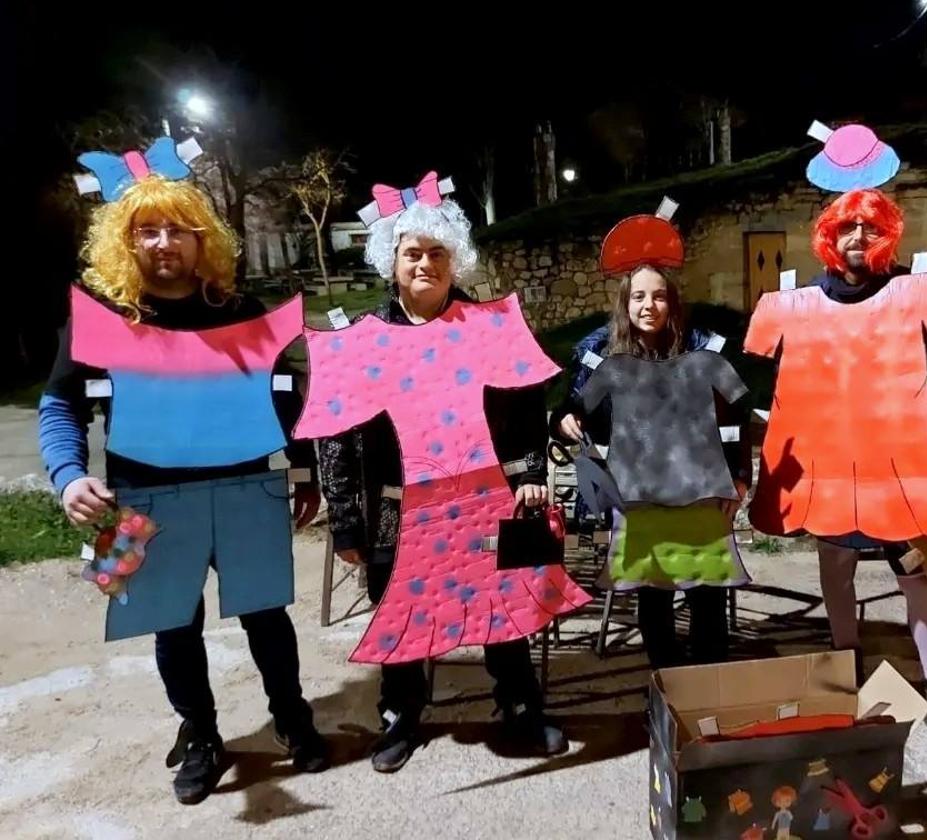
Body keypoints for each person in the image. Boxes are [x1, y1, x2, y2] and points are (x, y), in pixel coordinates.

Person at [39, 171, 328, 805]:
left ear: (204, 241)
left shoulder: (242, 313)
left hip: (247, 485)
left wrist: (302, 470)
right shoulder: (101, 318)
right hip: (139, 495)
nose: (165, 242)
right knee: (168, 623)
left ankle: (293, 716)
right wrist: (67, 477)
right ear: (126, 240)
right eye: (148, 230)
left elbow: (286, 399)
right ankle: (201, 735)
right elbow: (59, 405)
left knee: (267, 612)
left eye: (179, 229)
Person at [317, 181, 577, 773]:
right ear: (393, 260)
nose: (426, 264)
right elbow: (335, 433)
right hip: (396, 505)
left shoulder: (488, 326)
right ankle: (401, 714)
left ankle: (518, 704)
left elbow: (528, 397)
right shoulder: (364, 341)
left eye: (437, 253)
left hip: (488, 494)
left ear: (453, 257)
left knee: (504, 602)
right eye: (413, 253)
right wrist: (346, 520)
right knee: (400, 610)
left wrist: (531, 471)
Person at [746, 187, 927, 767]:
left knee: (920, 579)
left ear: (889, 236)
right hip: (830, 470)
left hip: (902, 474)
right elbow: (762, 384)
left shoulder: (921, 294)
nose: (858, 238)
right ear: (828, 236)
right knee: (836, 566)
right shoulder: (797, 303)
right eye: (846, 228)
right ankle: (842, 667)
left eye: (871, 228)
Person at [552, 207, 751, 670]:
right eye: (638, 296)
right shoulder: (600, 354)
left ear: (672, 302)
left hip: (701, 494)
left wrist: (739, 476)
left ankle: (706, 687)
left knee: (707, 592)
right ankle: (665, 683)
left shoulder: (703, 348)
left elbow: (736, 414)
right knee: (653, 595)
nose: (648, 305)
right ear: (625, 302)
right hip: (638, 498)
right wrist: (564, 421)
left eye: (658, 296)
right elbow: (569, 408)